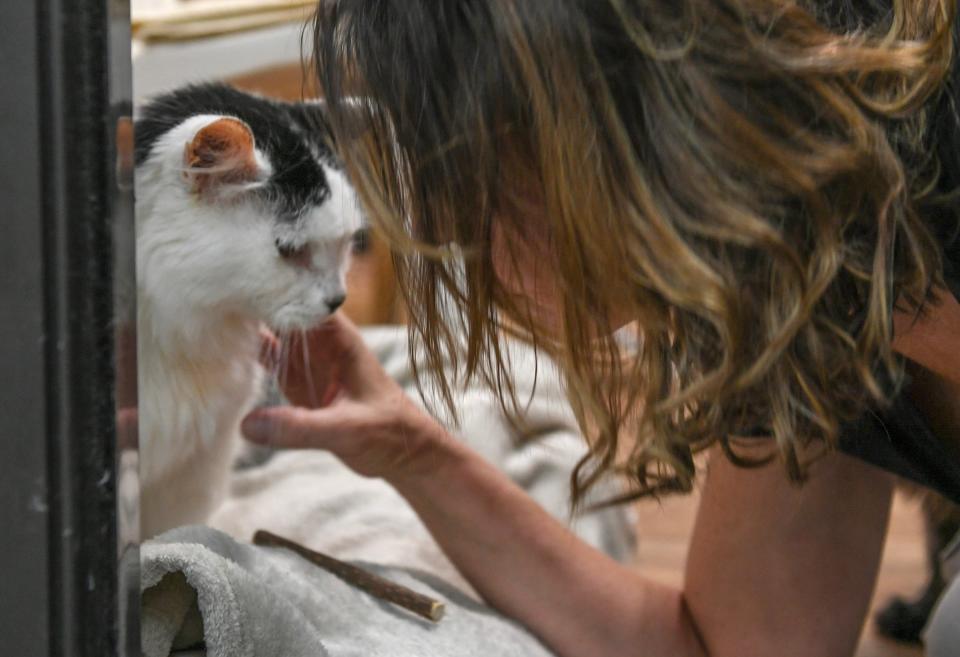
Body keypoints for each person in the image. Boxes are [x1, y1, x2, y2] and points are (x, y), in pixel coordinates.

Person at [240, 1, 960, 655]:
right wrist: (409, 448)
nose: (442, 229)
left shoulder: (921, 177)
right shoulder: (784, 275)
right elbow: (731, 644)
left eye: (451, 175)